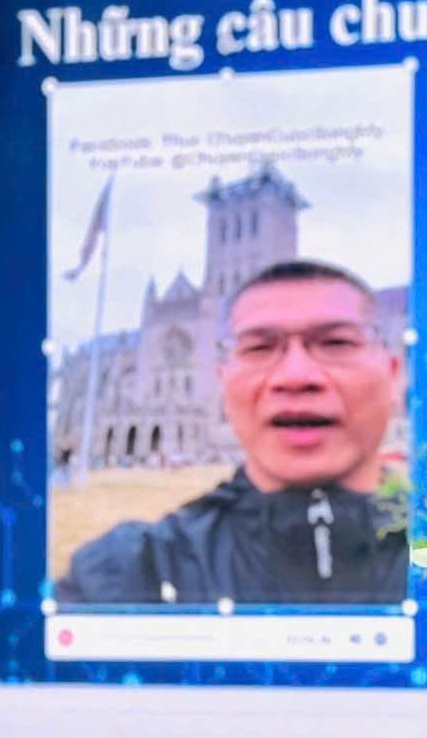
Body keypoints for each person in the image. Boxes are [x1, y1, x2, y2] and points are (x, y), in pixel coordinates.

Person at [55, 260, 409, 607]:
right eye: (259, 348)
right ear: (222, 380)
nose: (295, 375)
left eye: (336, 343)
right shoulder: (126, 574)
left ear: (395, 375)